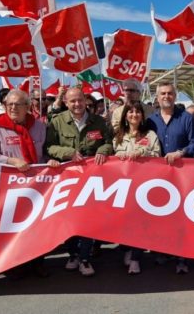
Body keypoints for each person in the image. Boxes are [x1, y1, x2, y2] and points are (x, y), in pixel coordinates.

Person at [0, 89, 59, 278]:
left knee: (37, 226)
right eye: (9, 104)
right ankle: (14, 265)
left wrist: (51, 160)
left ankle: (38, 262)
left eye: (18, 104)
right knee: (12, 228)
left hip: (37, 185)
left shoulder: (40, 126)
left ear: (27, 106)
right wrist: (13, 162)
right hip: (10, 187)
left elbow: (46, 150)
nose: (12, 107)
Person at [45, 87, 113, 277]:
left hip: (92, 179)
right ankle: (73, 254)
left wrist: (103, 150)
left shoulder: (98, 121)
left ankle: (85, 258)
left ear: (85, 100)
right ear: (66, 102)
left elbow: (109, 142)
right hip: (67, 178)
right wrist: (67, 153)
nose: (77, 104)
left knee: (88, 218)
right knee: (67, 219)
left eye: (80, 100)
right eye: (72, 101)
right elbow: (49, 147)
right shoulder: (57, 122)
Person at [147, 82, 194, 273]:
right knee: (160, 216)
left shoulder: (186, 118)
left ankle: (182, 257)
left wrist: (180, 152)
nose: (166, 96)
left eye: (170, 93)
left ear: (175, 96)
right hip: (157, 177)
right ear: (157, 96)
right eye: (162, 93)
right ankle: (162, 250)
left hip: (182, 175)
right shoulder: (150, 120)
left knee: (181, 218)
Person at [112, 100, 161, 275]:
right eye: (130, 112)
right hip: (124, 187)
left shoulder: (150, 135)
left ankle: (135, 259)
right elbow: (113, 156)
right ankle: (127, 249)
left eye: (138, 112)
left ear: (142, 115)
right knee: (125, 222)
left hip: (143, 186)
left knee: (140, 224)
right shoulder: (119, 135)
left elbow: (157, 155)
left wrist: (142, 152)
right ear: (126, 115)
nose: (134, 115)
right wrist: (121, 155)